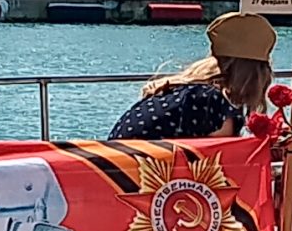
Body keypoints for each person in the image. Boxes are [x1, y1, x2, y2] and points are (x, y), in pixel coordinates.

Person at [109, 12, 278, 139]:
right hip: (135, 172)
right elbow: (223, 157)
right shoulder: (212, 102)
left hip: (113, 165)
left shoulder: (180, 92)